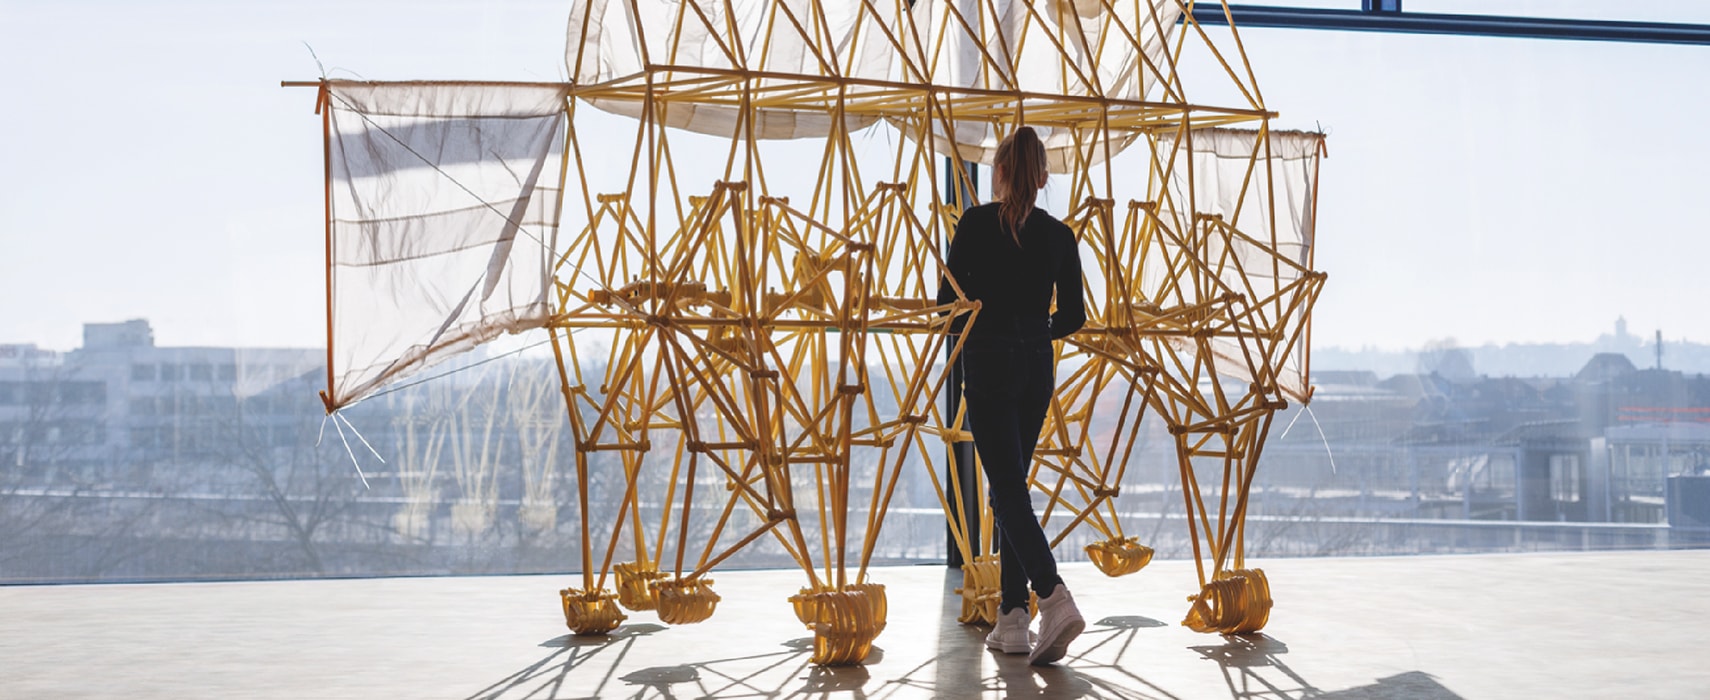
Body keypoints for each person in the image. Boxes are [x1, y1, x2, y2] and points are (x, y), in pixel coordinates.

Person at [936, 126, 1087, 665]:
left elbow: (945, 305)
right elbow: (1074, 315)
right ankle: (1012, 619)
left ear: (998, 173)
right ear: (1043, 176)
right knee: (1012, 489)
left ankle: (1053, 597)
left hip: (990, 364)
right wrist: (1034, 329)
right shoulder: (1059, 235)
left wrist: (985, 326)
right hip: (1034, 367)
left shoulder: (975, 225)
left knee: (1004, 493)